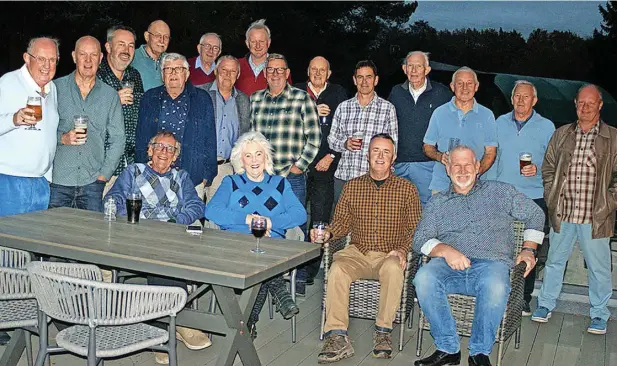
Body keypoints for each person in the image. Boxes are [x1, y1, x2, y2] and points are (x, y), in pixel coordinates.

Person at [412, 145, 544, 366]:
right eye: (456, 165)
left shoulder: (500, 192)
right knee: (423, 278)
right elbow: (419, 239)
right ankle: (448, 349)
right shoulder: (437, 202)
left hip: (491, 265)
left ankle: (478, 353)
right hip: (449, 266)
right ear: (448, 168)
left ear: (477, 167)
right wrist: (445, 250)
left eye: (467, 165)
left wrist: (529, 249)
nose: (462, 170)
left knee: (495, 285)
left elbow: (535, 214)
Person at [315, 134, 422, 363]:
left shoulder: (407, 189)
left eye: (386, 152)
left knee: (394, 269)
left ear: (394, 157)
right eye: (375, 151)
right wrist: (328, 233)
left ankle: (383, 333)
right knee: (337, 268)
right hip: (358, 252)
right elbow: (341, 222)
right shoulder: (353, 186)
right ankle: (337, 336)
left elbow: (413, 229)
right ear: (367, 155)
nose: (380, 156)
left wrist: (402, 250)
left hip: (389, 253)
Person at [105, 131, 209, 364]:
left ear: (175, 157)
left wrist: (175, 222)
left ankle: (162, 331)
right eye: (159, 146)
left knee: (169, 257)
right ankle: (175, 324)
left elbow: (195, 206)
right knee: (162, 260)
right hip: (136, 236)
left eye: (170, 149)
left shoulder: (181, 176)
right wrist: (130, 221)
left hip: (171, 236)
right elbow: (113, 199)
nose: (164, 152)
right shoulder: (133, 171)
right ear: (149, 150)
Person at [532, 84, 617, 336]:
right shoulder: (562, 134)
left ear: (600, 105)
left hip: (596, 216)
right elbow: (548, 168)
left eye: (591, 103)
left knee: (599, 267)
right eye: (581, 102)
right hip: (564, 212)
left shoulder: (613, 137)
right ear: (575, 104)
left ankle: (600, 314)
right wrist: (551, 195)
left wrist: (609, 202)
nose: (585, 107)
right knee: (555, 261)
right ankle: (545, 304)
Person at [204, 131, 306, 338]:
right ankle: (278, 291)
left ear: (266, 157)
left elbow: (299, 214)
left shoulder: (280, 183)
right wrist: (248, 219)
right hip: (235, 244)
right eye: (248, 155)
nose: (253, 160)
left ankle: (247, 323)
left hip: (271, 246)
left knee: (263, 258)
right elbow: (212, 211)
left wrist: (270, 222)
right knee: (262, 263)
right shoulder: (231, 182)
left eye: (258, 154)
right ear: (240, 159)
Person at [0, 36, 60, 346]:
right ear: (27, 58)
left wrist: (46, 179)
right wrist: (13, 118)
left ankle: (19, 315)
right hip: (9, 181)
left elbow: (48, 138)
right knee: (5, 257)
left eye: (53, 61)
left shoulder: (50, 92)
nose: (48, 66)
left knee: (26, 258)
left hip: (38, 184)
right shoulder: (8, 84)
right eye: (42, 59)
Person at [250, 53, 320, 294]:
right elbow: (251, 137)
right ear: (265, 73)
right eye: (271, 69)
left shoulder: (302, 99)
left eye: (280, 69)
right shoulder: (256, 99)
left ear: (288, 73)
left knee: (296, 227)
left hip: (291, 177)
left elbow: (315, 137)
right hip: (263, 177)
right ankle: (267, 280)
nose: (275, 74)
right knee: (266, 228)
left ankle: (297, 279)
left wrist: (299, 165)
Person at [485, 80, 555, 315]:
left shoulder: (547, 126)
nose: (521, 100)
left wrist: (538, 168)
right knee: (501, 245)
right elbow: (493, 158)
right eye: (517, 96)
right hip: (503, 194)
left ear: (534, 101)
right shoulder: (499, 122)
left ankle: (523, 298)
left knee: (529, 246)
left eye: (526, 97)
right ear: (512, 98)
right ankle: (500, 292)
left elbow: (554, 163)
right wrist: (490, 189)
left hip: (533, 196)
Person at [50, 36, 125, 212]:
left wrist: (103, 176)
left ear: (100, 58)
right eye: (83, 54)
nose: (88, 60)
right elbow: (40, 131)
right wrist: (62, 138)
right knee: (53, 236)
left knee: (90, 238)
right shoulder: (54, 89)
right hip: (58, 182)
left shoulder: (110, 95)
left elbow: (118, 139)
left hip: (92, 183)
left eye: (93, 55)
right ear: (74, 57)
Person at [293, 56, 348, 288]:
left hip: (324, 165)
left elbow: (347, 128)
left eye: (322, 70)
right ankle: (291, 269)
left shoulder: (338, 94)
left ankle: (308, 272)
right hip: (297, 165)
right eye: (313, 69)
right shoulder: (295, 91)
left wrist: (332, 155)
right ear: (307, 71)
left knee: (319, 220)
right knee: (296, 218)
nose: (317, 73)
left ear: (329, 73)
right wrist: (311, 110)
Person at [135, 53, 217, 202]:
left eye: (178, 69)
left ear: (186, 74)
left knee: (188, 220)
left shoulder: (202, 99)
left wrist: (206, 176)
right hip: (153, 176)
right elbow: (140, 138)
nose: (173, 73)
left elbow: (210, 139)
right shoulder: (149, 98)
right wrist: (142, 170)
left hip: (191, 179)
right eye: (168, 69)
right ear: (162, 74)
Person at [328, 60, 398, 205]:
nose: (364, 82)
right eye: (360, 77)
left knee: (373, 225)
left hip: (374, 179)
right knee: (342, 225)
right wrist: (345, 144)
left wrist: (387, 177)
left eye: (369, 77)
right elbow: (331, 139)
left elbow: (393, 146)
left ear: (376, 80)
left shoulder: (387, 109)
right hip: (345, 176)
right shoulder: (343, 107)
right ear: (354, 80)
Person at [387, 51, 451, 206]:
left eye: (419, 66)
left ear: (427, 70)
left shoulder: (442, 94)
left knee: (427, 211)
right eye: (410, 66)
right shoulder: (396, 92)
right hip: (399, 164)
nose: (414, 70)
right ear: (404, 69)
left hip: (428, 165)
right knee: (398, 212)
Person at [422, 66, 497, 194]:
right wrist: (440, 157)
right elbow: (427, 147)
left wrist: (476, 173)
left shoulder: (487, 115)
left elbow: (490, 152)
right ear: (452, 86)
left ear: (476, 86)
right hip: (443, 186)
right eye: (460, 83)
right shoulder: (439, 113)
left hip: (477, 188)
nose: (464, 88)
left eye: (469, 83)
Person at [98, 25, 145, 194]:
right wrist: (112, 101)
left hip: (131, 167)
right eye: (121, 44)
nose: (126, 50)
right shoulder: (96, 75)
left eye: (131, 45)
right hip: (103, 168)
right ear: (108, 47)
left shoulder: (135, 76)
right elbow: (83, 114)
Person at [197, 55, 251, 201]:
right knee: (191, 215)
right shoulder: (198, 93)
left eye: (233, 71)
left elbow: (245, 135)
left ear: (238, 75)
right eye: (224, 70)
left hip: (224, 167)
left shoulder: (243, 100)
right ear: (216, 71)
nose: (228, 75)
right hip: (197, 165)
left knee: (216, 218)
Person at [236, 19, 291, 96]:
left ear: (268, 42)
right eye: (253, 42)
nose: (258, 46)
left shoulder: (280, 67)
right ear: (247, 43)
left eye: (261, 41)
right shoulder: (235, 65)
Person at [132, 20, 170, 91]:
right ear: (147, 36)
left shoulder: (171, 61)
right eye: (157, 35)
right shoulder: (132, 57)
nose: (162, 40)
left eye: (166, 37)